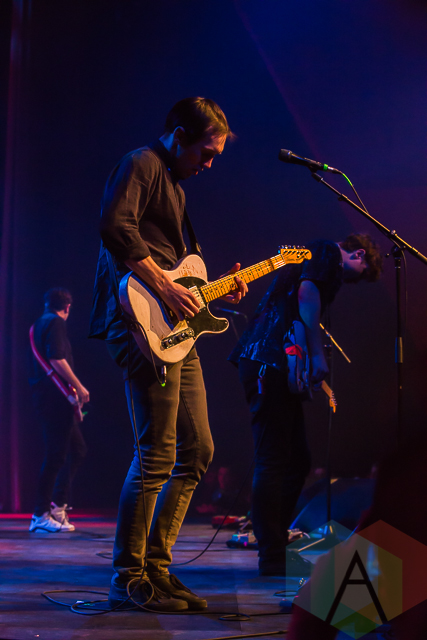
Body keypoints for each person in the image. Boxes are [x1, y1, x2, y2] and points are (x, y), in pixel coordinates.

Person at [89, 97, 247, 612]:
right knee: (156, 454)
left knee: (197, 450)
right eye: (206, 152)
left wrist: (208, 293)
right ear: (179, 135)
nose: (209, 164)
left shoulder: (174, 186)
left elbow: (178, 272)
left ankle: (156, 570)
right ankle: (128, 579)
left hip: (176, 330)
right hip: (139, 326)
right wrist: (162, 284)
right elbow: (115, 226)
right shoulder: (141, 163)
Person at [229, 235, 383, 577]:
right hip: (268, 360)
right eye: (359, 274)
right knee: (273, 459)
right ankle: (271, 555)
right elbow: (307, 293)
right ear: (359, 254)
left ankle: (275, 541)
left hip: (269, 361)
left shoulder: (316, 255)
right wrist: (315, 354)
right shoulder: (327, 251)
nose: (351, 282)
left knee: (297, 460)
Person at [29, 288, 90, 533]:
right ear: (67, 307)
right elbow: (56, 359)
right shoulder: (55, 323)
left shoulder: (38, 324)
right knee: (56, 455)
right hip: (55, 398)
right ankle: (40, 514)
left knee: (77, 449)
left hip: (49, 397)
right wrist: (79, 387)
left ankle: (57, 506)